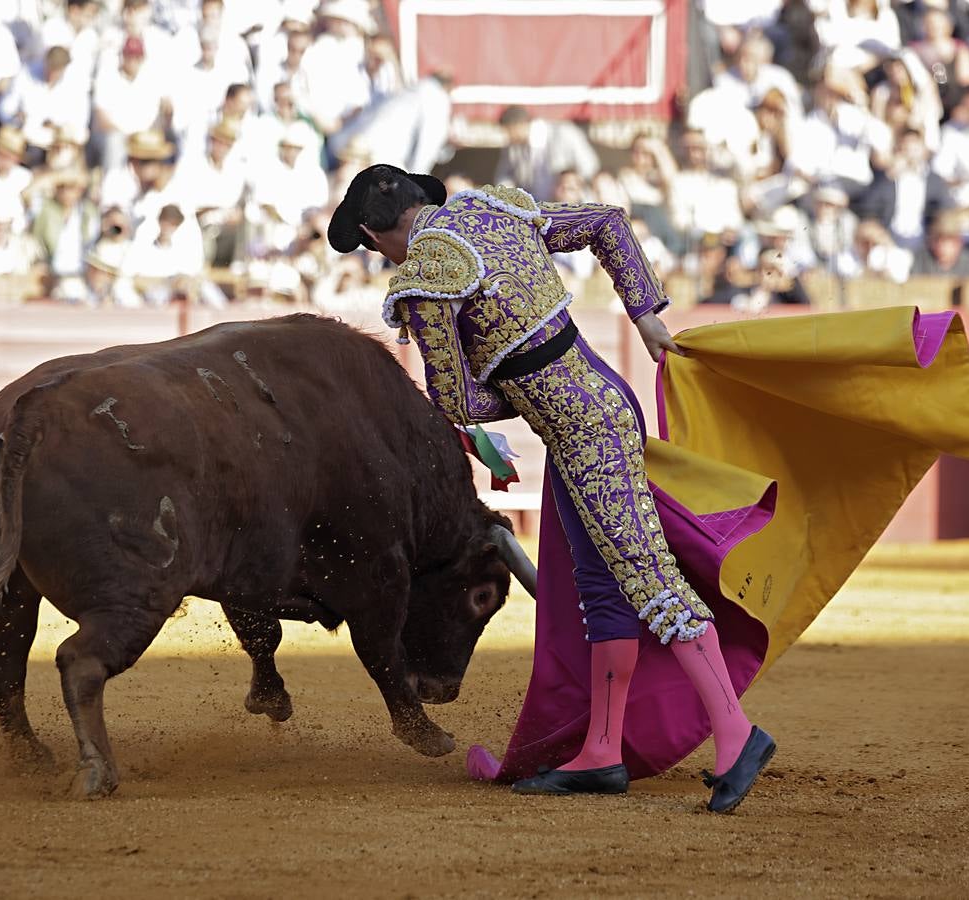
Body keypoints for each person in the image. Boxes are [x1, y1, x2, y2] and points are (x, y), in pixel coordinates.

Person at [328, 165, 775, 812]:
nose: (381, 258)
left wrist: (488, 424)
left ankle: (736, 735)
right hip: (601, 405)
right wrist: (644, 312)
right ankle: (600, 752)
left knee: (647, 578)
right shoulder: (496, 212)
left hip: (582, 431)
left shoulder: (425, 276)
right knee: (600, 589)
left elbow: (456, 397)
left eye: (372, 248)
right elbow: (607, 223)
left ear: (372, 231)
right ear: (423, 199)